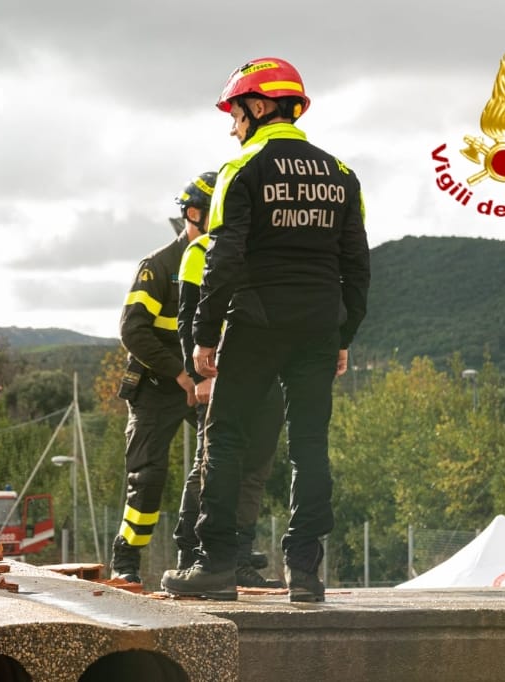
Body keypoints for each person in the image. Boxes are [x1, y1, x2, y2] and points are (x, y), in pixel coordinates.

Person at [161, 57, 370, 602]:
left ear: (258, 106)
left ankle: (215, 565)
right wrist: (343, 337)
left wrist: (205, 337)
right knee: (309, 446)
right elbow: (357, 266)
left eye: (234, 113)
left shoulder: (241, 170)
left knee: (226, 439)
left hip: (254, 324)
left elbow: (222, 260)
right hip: (319, 327)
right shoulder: (343, 176)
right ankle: (305, 573)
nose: (232, 127)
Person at [108, 173, 212, 583]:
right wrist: (181, 373)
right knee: (147, 478)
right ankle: (127, 561)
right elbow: (132, 330)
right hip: (156, 386)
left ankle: (197, 552)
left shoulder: (224, 264)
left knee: (221, 464)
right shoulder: (160, 266)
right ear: (192, 214)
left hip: (207, 385)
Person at [173, 226, 284, 589]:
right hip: (219, 371)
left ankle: (238, 558)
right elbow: (189, 316)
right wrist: (199, 376)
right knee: (210, 463)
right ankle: (191, 552)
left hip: (266, 368)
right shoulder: (200, 249)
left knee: (256, 466)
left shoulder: (267, 243)